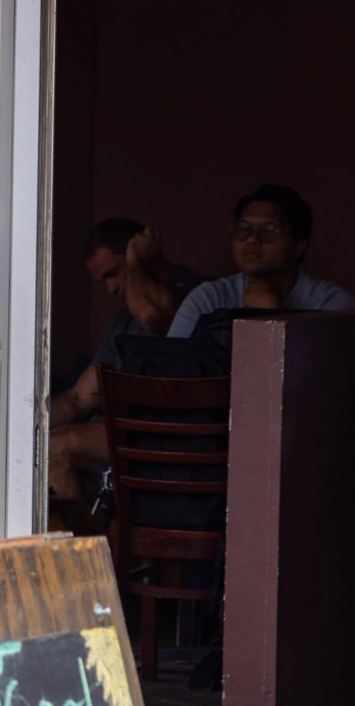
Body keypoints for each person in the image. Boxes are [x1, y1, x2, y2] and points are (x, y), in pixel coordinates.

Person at [45, 218, 200, 501]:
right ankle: (95, 540)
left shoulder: (196, 293)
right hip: (136, 434)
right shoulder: (121, 323)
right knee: (48, 442)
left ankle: (84, 547)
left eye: (114, 273)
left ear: (137, 253)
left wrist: (139, 261)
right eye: (103, 280)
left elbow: (153, 316)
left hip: (186, 438)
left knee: (58, 446)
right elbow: (79, 399)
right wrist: (26, 425)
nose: (111, 288)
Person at [168, 184, 352, 336]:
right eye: (244, 228)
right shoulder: (208, 298)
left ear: (298, 246)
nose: (252, 239)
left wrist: (267, 315)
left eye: (268, 230)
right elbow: (174, 370)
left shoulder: (332, 306)